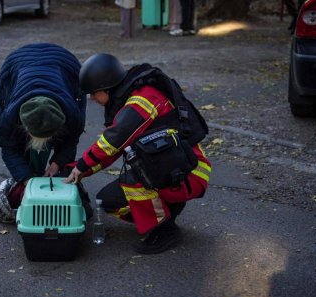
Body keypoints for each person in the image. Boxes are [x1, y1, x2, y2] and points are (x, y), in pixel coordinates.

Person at [65, 53, 211, 254]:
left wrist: (82, 166)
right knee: (108, 200)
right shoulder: (129, 97)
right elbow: (115, 148)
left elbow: (112, 141)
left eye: (94, 92)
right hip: (175, 167)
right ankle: (165, 211)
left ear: (107, 87)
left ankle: (164, 230)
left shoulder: (141, 100)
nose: (92, 98)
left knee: (133, 179)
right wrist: (80, 170)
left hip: (189, 172)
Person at [0, 43, 90, 223]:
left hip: (66, 64)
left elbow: (70, 141)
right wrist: (26, 178)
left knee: (61, 169)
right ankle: (29, 174)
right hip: (15, 63)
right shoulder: (9, 118)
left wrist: (57, 164)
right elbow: (8, 149)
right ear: (23, 125)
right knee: (24, 163)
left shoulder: (73, 116)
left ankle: (54, 174)